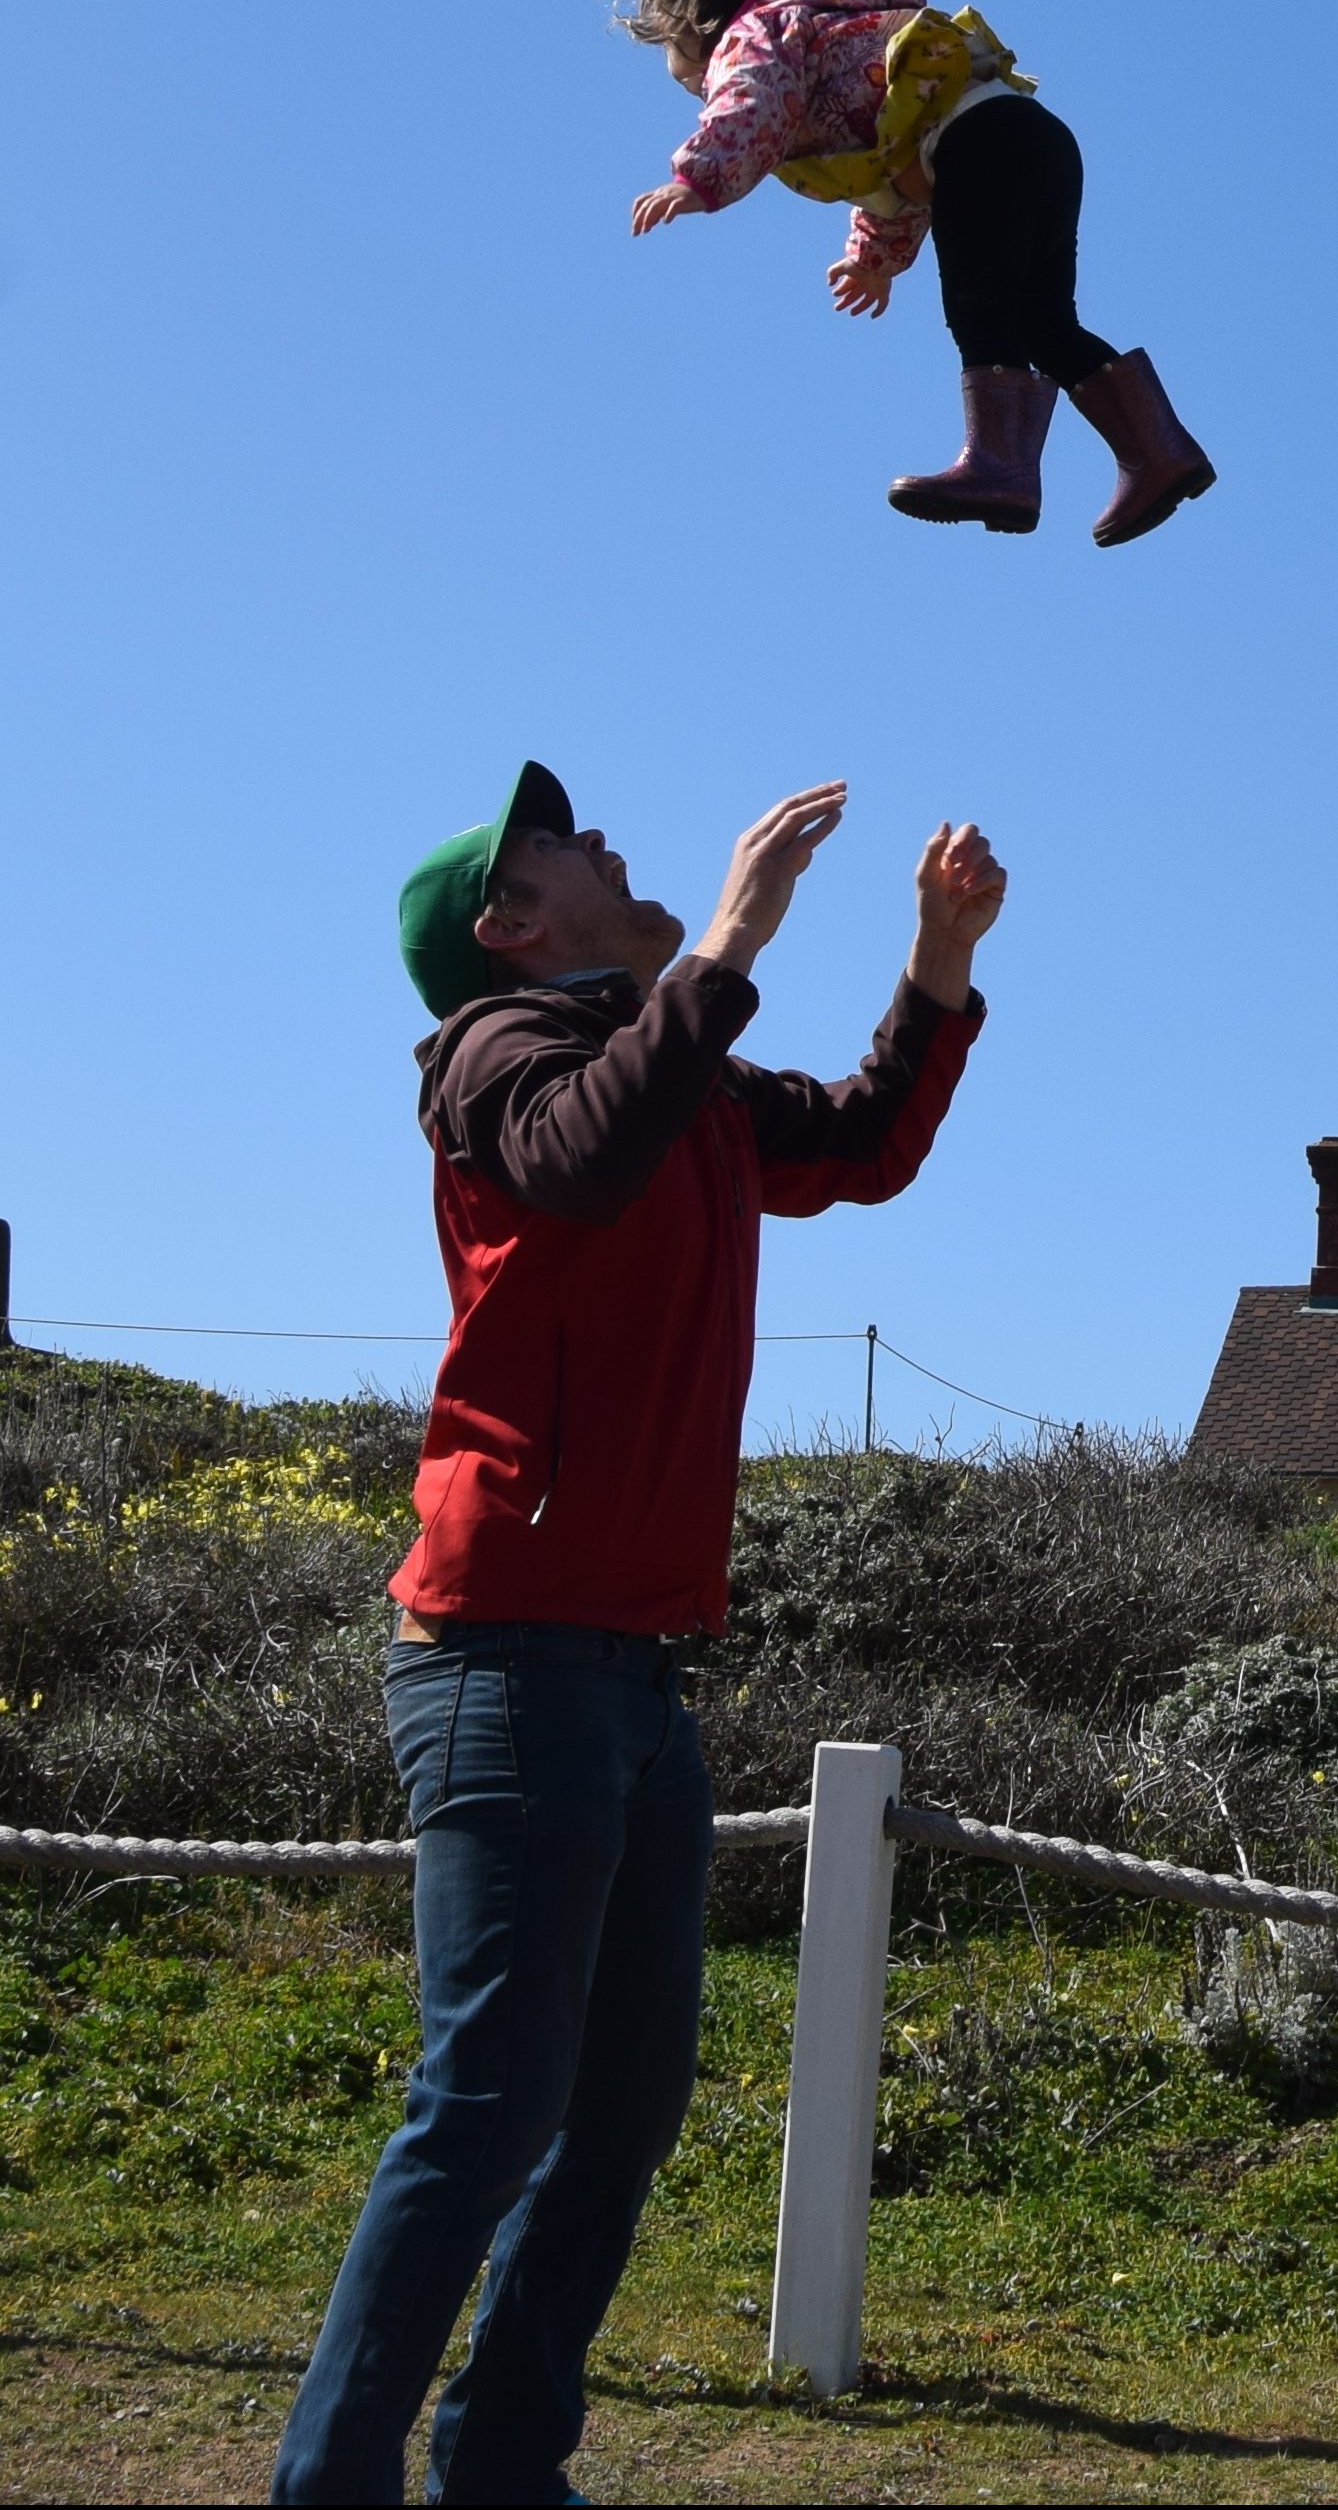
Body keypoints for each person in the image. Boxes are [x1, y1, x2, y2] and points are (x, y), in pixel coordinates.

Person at [271, 760, 1005, 2508]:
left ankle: (503, 2474)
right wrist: (739, 931)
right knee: (488, 2112)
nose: (609, 838)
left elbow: (862, 1143)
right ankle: (333, 2487)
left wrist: (938, 958)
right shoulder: (491, 1062)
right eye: (562, 843)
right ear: (510, 929)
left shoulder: (678, 1072)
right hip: (506, 1662)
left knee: (615, 2120)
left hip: (633, 1684)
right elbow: (580, 1164)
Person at [617, 0, 1214, 544]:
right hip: (1032, 136)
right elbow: (891, 164)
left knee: (978, 307)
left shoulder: (757, 35)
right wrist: (873, 259)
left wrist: (699, 177)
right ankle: (1157, 452)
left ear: (701, 21)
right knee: (1044, 323)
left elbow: (748, 102)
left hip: (979, 146)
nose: (691, 86)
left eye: (678, 59)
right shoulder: (840, 31)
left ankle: (1001, 468)